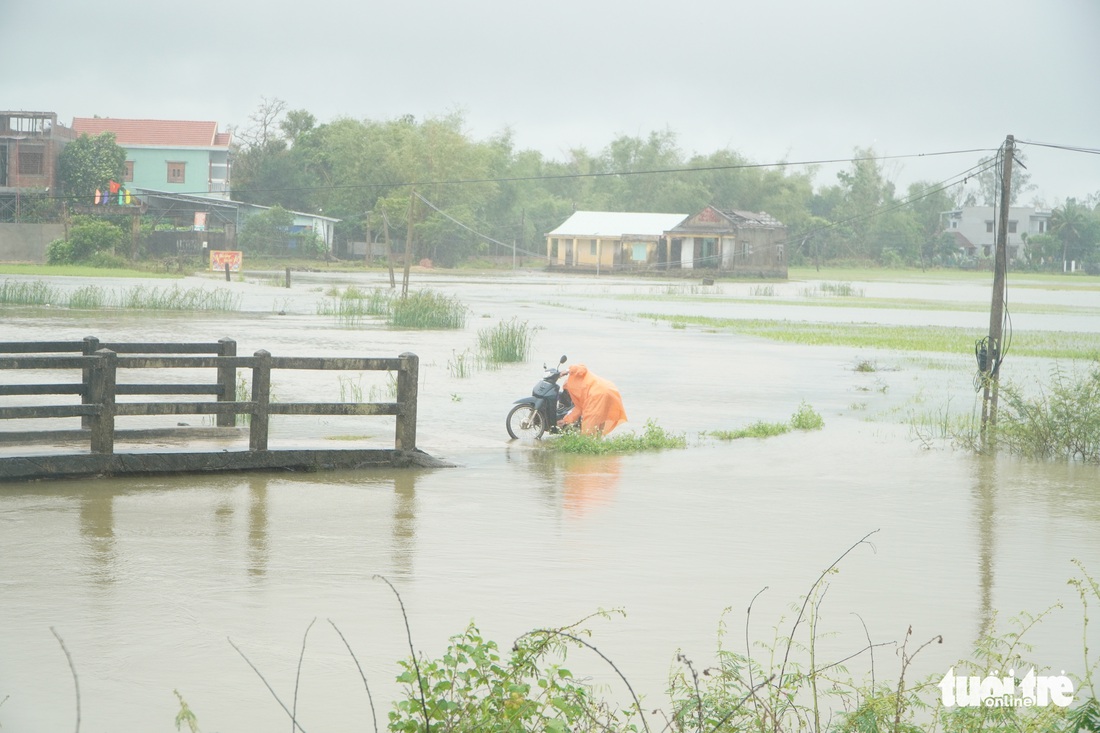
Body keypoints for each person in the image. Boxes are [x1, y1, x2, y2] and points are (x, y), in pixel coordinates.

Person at [558, 363, 627, 436]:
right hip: (610, 390)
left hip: (597, 394)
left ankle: (587, 441)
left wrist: (567, 370)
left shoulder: (573, 382)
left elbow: (582, 368)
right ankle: (597, 442)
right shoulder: (580, 382)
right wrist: (565, 420)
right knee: (601, 419)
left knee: (589, 422)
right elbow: (578, 409)